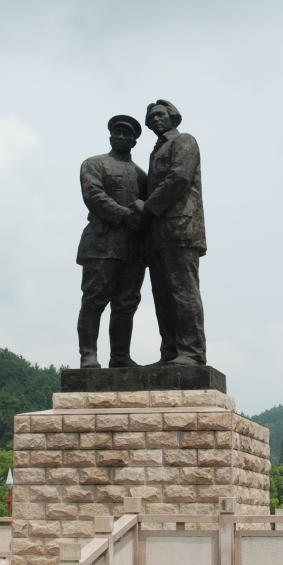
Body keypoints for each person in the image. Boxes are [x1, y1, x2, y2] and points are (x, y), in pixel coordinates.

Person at [129, 100, 207, 366]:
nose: (155, 120)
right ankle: (171, 353)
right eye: (151, 117)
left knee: (183, 291)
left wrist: (147, 207)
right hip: (158, 235)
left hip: (181, 229)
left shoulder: (184, 141)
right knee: (162, 297)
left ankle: (192, 353)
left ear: (174, 117)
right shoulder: (156, 151)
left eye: (160, 115)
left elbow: (179, 178)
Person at [75, 115, 147, 368]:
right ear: (110, 136)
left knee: (126, 303)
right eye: (117, 132)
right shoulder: (94, 164)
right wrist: (124, 214)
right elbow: (93, 195)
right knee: (94, 299)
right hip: (101, 242)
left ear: (134, 141)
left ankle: (120, 357)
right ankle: (88, 355)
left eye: (127, 134)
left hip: (133, 249)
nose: (121, 137)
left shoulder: (142, 175)